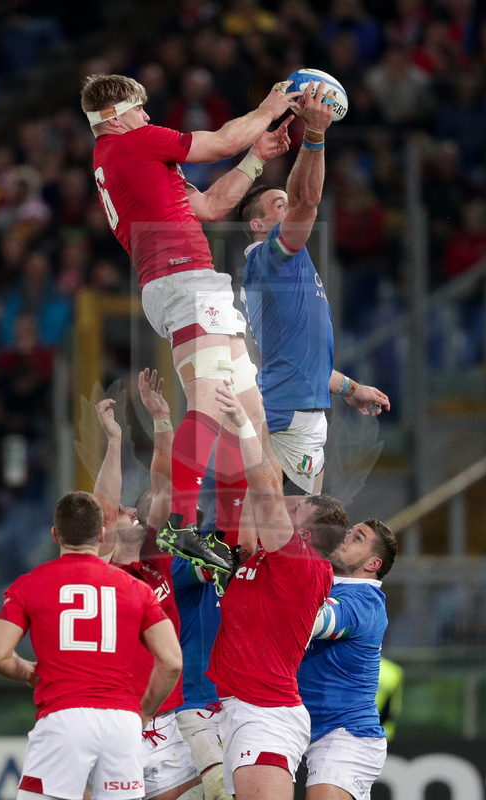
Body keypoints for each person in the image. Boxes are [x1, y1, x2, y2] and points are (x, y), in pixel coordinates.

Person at [80, 73, 300, 572]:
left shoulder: (124, 158)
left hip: (183, 285)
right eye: (139, 108)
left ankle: (237, 540)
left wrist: (257, 156)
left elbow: (211, 205)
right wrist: (267, 107)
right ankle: (181, 522)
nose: (147, 117)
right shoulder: (133, 142)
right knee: (208, 403)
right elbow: (220, 140)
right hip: (185, 280)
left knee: (250, 416)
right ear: (115, 117)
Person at [238, 81, 390, 495]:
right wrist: (316, 136)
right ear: (258, 225)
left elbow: (299, 358)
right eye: (278, 205)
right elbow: (306, 201)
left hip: (297, 404)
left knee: (296, 533)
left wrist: (351, 389)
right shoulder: (271, 257)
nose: (289, 208)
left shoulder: (285, 268)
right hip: (289, 411)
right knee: (290, 535)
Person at [0, 491, 182, 800]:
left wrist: (28, 671)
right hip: (122, 724)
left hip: (64, 717)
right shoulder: (137, 590)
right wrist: (142, 712)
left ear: (54, 534)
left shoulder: (30, 584)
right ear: (101, 534)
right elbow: (171, 661)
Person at [206, 382, 334, 800]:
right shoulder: (268, 556)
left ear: (309, 534)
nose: (287, 505)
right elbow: (266, 486)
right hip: (234, 708)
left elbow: (265, 490)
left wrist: (244, 423)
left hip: (265, 715)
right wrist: (256, 412)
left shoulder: (301, 566)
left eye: (296, 510)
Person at [94, 379, 203, 800]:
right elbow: (104, 507)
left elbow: (163, 487)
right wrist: (114, 441)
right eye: (122, 512)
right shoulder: (99, 566)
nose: (129, 512)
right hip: (112, 719)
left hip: (162, 718)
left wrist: (161, 420)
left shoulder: (156, 560)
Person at [298, 517, 398, 800]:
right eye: (349, 531)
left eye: (358, 538)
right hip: (310, 730)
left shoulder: (364, 601)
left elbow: (312, 621)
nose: (345, 536)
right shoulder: (330, 586)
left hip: (346, 735)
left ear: (373, 564)